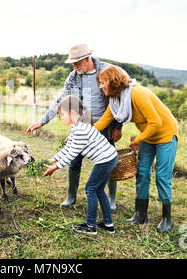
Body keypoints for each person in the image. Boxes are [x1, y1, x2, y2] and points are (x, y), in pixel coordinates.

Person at [26, 44, 122, 210]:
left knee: (108, 160)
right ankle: (71, 196)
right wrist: (42, 121)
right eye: (72, 63)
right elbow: (61, 100)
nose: (74, 66)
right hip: (82, 124)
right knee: (74, 158)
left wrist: (117, 126)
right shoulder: (73, 77)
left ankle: (111, 200)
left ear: (87, 59)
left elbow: (118, 99)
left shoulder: (106, 71)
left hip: (104, 125)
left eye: (77, 62)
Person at [93, 65, 179, 233]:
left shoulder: (137, 93)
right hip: (148, 135)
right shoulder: (116, 101)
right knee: (142, 173)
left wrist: (138, 140)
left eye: (103, 82)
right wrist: (79, 134)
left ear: (113, 81)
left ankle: (167, 219)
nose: (101, 86)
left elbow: (156, 122)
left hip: (166, 134)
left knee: (162, 176)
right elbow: (102, 122)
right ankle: (140, 214)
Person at [43, 95, 118, 235]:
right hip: (109, 158)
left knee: (90, 189)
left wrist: (55, 167)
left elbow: (72, 155)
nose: (61, 118)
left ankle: (90, 226)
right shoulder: (76, 126)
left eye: (62, 114)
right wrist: (52, 160)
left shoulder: (80, 130)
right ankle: (108, 224)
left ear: (72, 113)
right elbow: (68, 148)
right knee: (99, 190)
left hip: (106, 160)